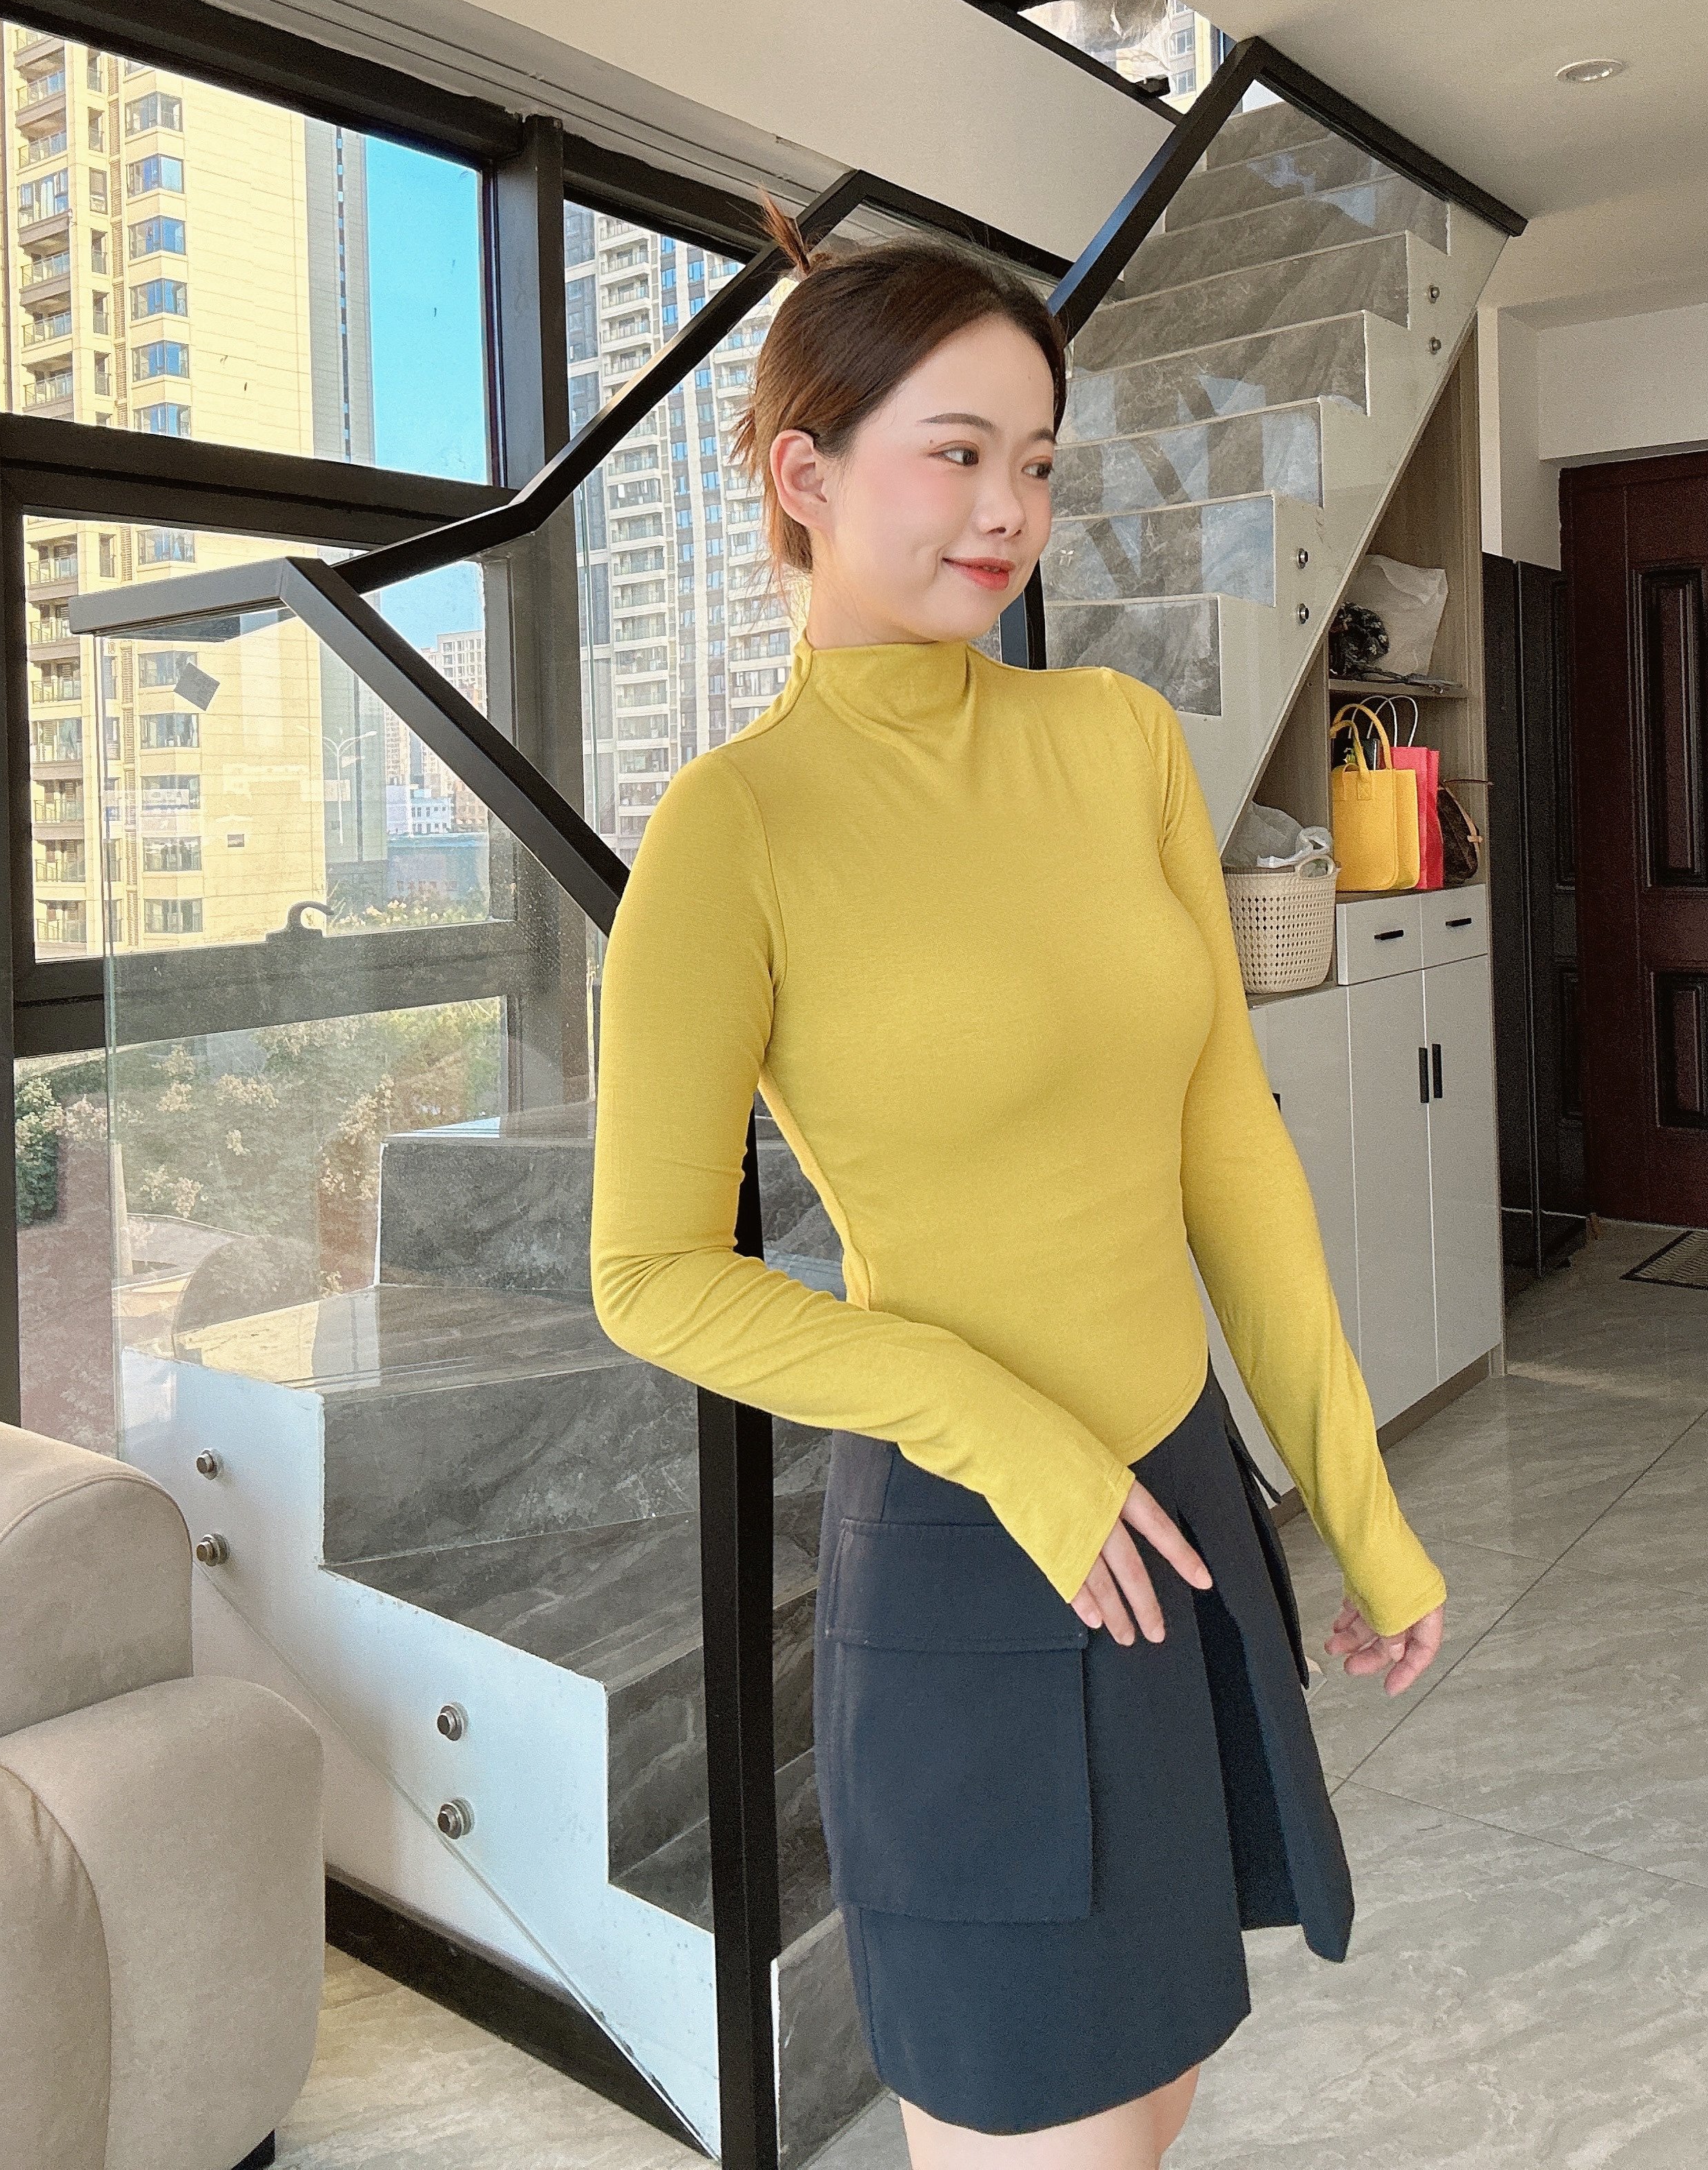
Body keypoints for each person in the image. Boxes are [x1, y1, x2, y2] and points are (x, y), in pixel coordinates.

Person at [589, 203, 1448, 2169]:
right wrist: (998, 1427)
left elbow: (1227, 1150)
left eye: (1038, 462)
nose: (1007, 511)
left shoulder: (1117, 741)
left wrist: (1364, 1511)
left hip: (1180, 1494)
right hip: (985, 1543)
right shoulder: (733, 832)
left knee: (1162, 2076)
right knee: (1040, 2119)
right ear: (806, 474)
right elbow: (651, 1274)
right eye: (956, 452)